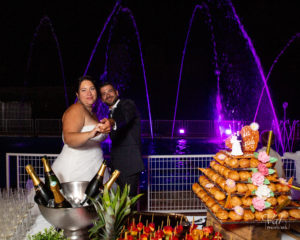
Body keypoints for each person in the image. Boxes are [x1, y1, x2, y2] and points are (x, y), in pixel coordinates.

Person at [51, 76, 111, 183]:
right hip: (76, 172)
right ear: (77, 95)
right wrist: (90, 134)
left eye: (92, 89)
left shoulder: (93, 114)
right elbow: (68, 138)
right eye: (84, 90)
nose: (89, 93)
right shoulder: (76, 109)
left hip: (93, 169)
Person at [99, 82, 145, 197]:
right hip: (117, 167)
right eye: (104, 94)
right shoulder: (110, 113)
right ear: (102, 99)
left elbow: (124, 117)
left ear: (117, 92)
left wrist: (111, 122)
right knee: (118, 205)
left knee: (128, 205)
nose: (107, 95)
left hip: (129, 166)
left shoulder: (127, 104)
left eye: (110, 91)